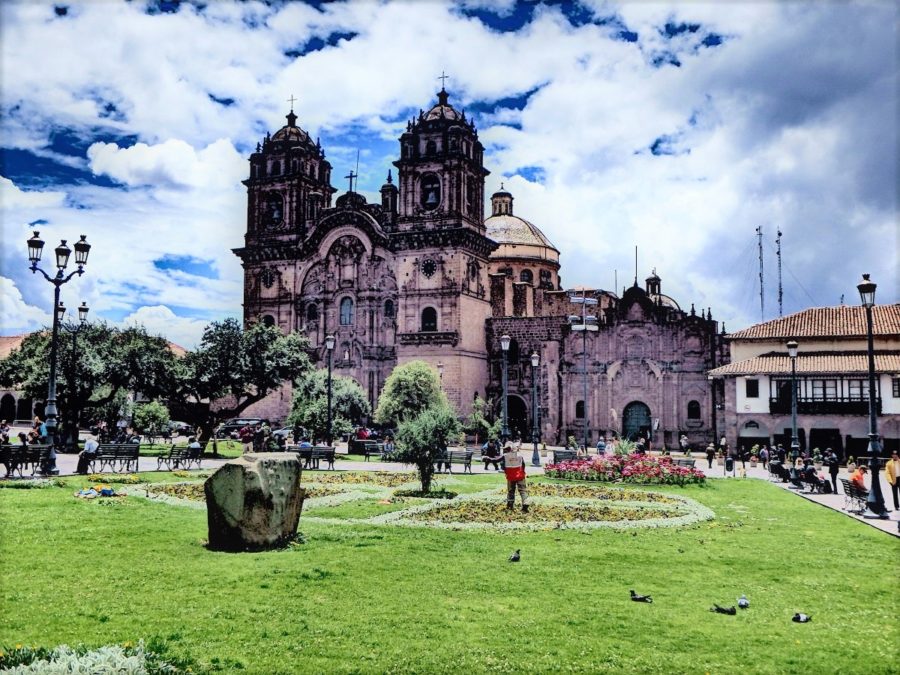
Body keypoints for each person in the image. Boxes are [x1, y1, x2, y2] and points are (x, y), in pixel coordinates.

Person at [503, 444, 528, 512]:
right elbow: (523, 464)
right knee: (523, 490)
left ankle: (510, 505)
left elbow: (496, 460)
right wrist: (523, 471)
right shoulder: (520, 455)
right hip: (520, 475)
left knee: (511, 491)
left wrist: (488, 458)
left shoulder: (505, 456)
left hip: (511, 476)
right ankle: (525, 502)